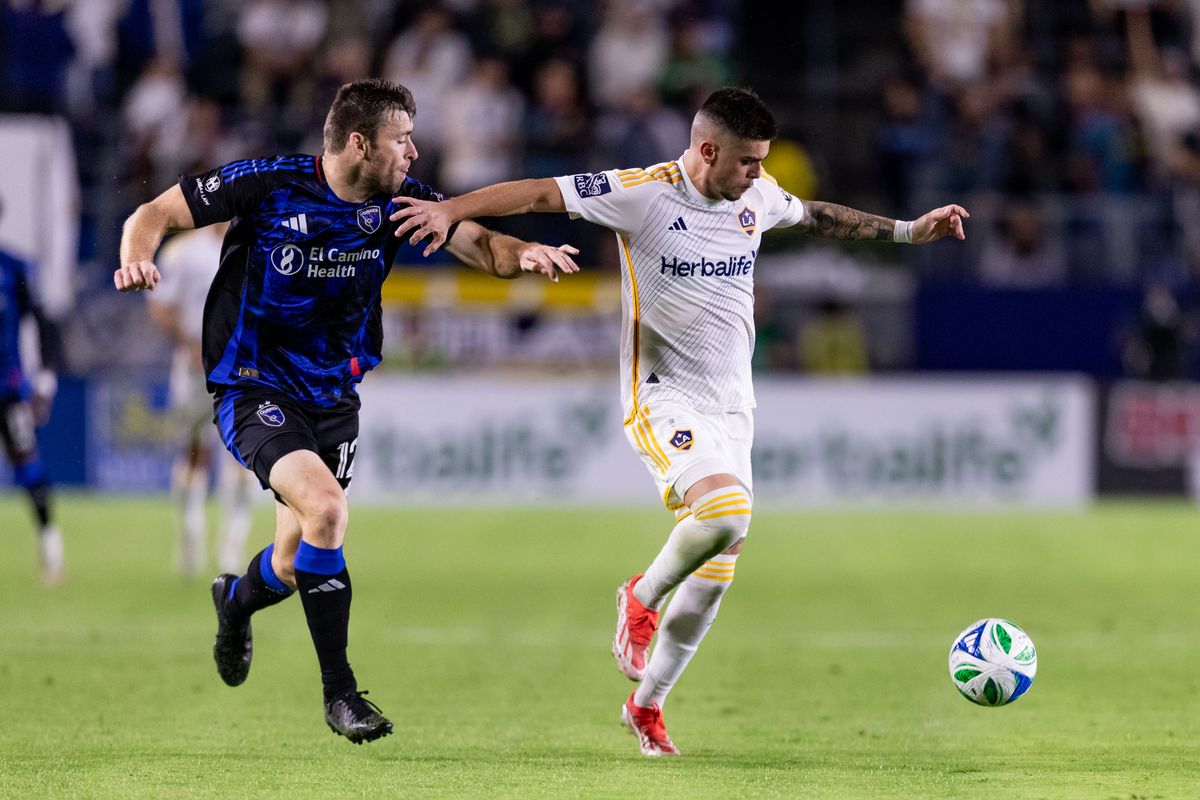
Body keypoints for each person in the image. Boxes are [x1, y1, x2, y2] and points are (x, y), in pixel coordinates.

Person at [390, 86, 968, 756]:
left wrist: (905, 231)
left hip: (734, 406)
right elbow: (540, 193)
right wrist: (451, 209)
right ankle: (638, 595)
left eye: (763, 162)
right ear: (707, 150)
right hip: (662, 394)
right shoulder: (642, 192)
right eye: (749, 161)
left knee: (720, 563)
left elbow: (813, 216)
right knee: (724, 513)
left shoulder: (755, 197)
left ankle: (646, 706)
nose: (758, 174)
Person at [114, 78, 580, 745]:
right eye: (402, 140)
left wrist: (522, 253)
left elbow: (478, 243)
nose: (415, 153)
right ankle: (342, 695)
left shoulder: (401, 203)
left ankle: (235, 601)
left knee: (290, 557)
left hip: (333, 396)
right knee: (328, 512)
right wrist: (136, 259)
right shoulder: (269, 183)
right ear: (360, 143)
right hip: (254, 387)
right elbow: (151, 214)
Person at [146, 222, 260, 576]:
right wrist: (188, 343)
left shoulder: (258, 245)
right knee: (195, 450)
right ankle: (190, 531)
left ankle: (231, 546)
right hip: (195, 368)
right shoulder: (182, 251)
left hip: (244, 366)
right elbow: (161, 306)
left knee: (244, 454)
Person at [0, 220, 63, 586]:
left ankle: (51, 551)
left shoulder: (13, 266)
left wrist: (45, 378)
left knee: (28, 467)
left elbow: (43, 321)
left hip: (7, 392)